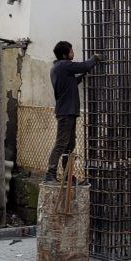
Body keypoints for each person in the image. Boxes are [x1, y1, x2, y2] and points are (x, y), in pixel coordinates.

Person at [43, 41, 98, 183]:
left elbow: (71, 84)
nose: (73, 52)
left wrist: (83, 75)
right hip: (66, 112)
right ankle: (50, 174)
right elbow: (84, 65)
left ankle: (68, 176)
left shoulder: (58, 68)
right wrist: (95, 58)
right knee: (61, 143)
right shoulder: (64, 65)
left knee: (69, 145)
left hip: (68, 111)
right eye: (71, 50)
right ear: (64, 54)